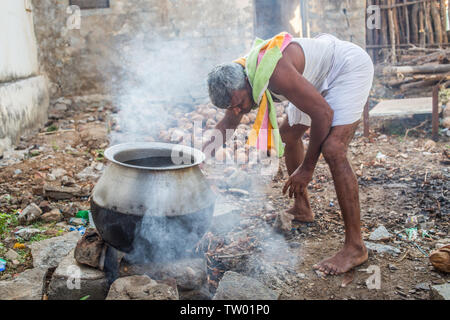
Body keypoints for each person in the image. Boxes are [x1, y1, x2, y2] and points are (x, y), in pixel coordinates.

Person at [203, 32, 374, 275]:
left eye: (239, 103)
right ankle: (302, 208)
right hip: (312, 79)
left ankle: (356, 246)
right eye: (234, 107)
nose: (239, 110)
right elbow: (227, 124)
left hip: (346, 67)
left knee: (333, 149)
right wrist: (196, 160)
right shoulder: (239, 79)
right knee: (288, 136)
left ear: (245, 84)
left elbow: (323, 114)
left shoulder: (275, 74)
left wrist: (306, 169)